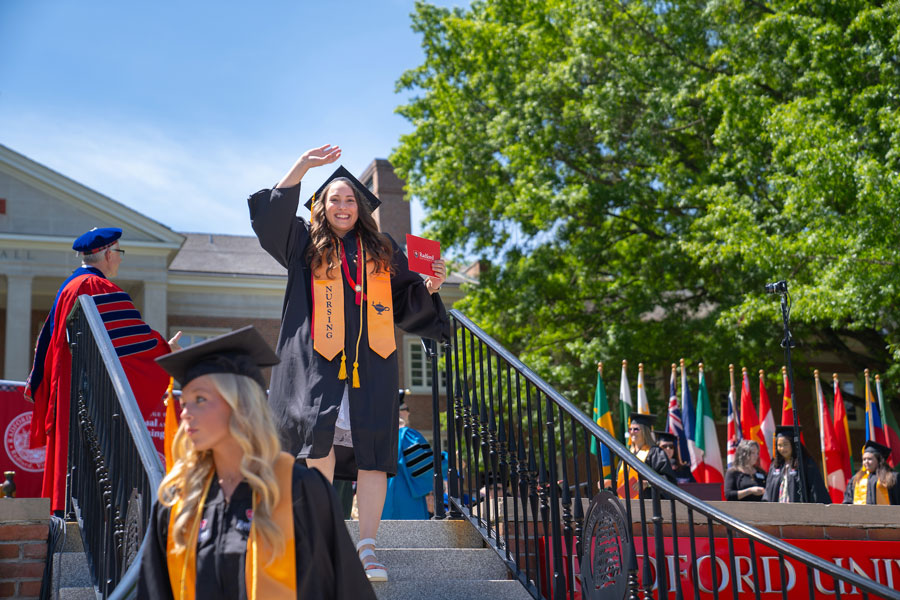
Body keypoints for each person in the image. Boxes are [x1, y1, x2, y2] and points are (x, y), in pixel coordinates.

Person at [248, 145, 450, 581]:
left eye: (350, 199)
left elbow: (407, 301)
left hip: (372, 365)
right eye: (335, 199)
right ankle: (326, 538)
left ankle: (368, 547)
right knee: (318, 445)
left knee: (374, 454)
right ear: (322, 205)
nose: (342, 206)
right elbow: (269, 220)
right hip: (318, 364)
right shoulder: (303, 242)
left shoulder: (384, 252)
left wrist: (430, 287)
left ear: (361, 208)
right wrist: (302, 164)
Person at [137, 326, 375, 600]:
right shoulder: (178, 501)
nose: (186, 412)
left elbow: (344, 588)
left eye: (200, 399)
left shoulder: (299, 491)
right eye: (185, 400)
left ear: (240, 406)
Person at [24, 227, 179, 513]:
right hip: (86, 395)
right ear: (107, 254)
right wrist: (164, 350)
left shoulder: (69, 286)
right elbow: (132, 343)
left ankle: (66, 511)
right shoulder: (96, 287)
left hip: (70, 389)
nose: (119, 259)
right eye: (118, 253)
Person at [382, 389, 435, 519]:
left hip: (380, 499)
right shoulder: (406, 436)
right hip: (406, 499)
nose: (408, 412)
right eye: (406, 409)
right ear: (399, 412)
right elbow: (426, 465)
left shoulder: (378, 436)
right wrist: (448, 461)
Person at [763, 425, 830, 504]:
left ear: (793, 445)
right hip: (778, 512)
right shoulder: (775, 466)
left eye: (785, 444)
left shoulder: (805, 464)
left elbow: (816, 490)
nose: (782, 448)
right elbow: (768, 492)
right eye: (779, 445)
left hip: (799, 512)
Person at [616, 413, 677, 498]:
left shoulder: (656, 453)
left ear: (645, 431)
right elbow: (623, 482)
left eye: (636, 429)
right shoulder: (626, 455)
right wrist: (612, 483)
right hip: (626, 505)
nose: (632, 432)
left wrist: (648, 483)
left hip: (649, 505)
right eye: (630, 429)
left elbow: (668, 479)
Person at [842, 440, 900, 505]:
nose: (866, 462)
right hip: (860, 514)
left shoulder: (892, 477)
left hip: (886, 514)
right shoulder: (856, 478)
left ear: (879, 460)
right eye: (864, 459)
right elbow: (848, 501)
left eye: (869, 459)